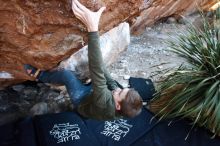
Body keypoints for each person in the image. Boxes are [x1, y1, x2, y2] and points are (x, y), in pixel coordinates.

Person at [25, 0, 143, 120]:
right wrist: (101, 65)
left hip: (81, 99)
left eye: (119, 93)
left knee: (67, 76)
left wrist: (92, 28)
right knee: (103, 74)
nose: (118, 90)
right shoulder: (121, 106)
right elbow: (109, 81)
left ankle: (41, 76)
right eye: (123, 89)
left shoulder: (104, 102)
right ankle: (90, 93)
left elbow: (95, 69)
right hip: (93, 97)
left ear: (117, 106)